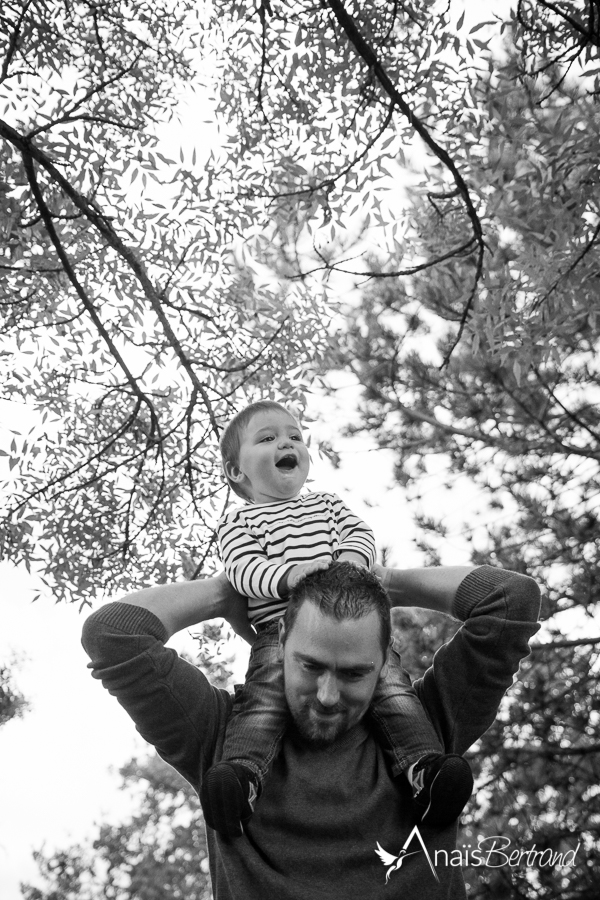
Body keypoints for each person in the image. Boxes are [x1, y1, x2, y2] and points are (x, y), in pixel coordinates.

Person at [82, 559, 541, 900]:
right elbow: (113, 634)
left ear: (385, 665)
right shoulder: (221, 737)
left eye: (354, 674)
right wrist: (226, 592)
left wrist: (385, 583)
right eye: (310, 665)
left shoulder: (427, 729)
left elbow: (510, 600)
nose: (326, 695)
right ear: (280, 644)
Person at [204, 399, 472, 837]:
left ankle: (425, 771)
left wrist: (349, 559)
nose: (286, 443)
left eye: (293, 436)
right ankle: (242, 778)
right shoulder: (241, 522)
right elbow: (242, 570)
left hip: (355, 629)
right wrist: (289, 576)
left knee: (393, 691)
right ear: (237, 472)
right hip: (283, 632)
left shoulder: (327, 505)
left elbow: (360, 534)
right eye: (267, 438)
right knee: (265, 698)